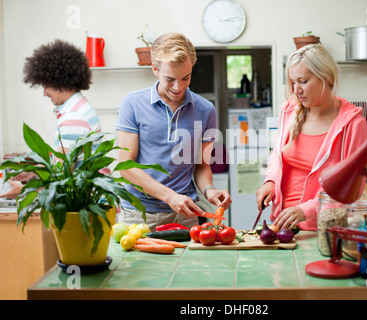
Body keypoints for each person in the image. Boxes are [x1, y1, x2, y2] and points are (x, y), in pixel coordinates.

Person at [116, 32, 231, 231]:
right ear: (155, 69)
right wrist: (170, 197)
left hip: (184, 217)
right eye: (170, 79)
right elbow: (126, 167)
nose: (178, 87)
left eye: (186, 78)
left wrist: (209, 190)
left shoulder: (205, 110)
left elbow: (202, 166)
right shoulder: (133, 104)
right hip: (138, 215)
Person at [256, 44, 367, 231]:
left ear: (327, 78)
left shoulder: (353, 123)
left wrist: (306, 210)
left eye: (303, 81)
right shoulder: (288, 111)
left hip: (326, 227)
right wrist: (270, 181)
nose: (296, 90)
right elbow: (277, 155)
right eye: (293, 82)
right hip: (283, 224)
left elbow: (351, 187)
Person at [0, 39, 102, 199]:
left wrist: (24, 192)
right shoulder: (80, 107)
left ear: (60, 80)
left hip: (84, 205)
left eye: (46, 86)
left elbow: (61, 177)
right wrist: (33, 173)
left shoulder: (73, 118)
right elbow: (64, 165)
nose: (45, 93)